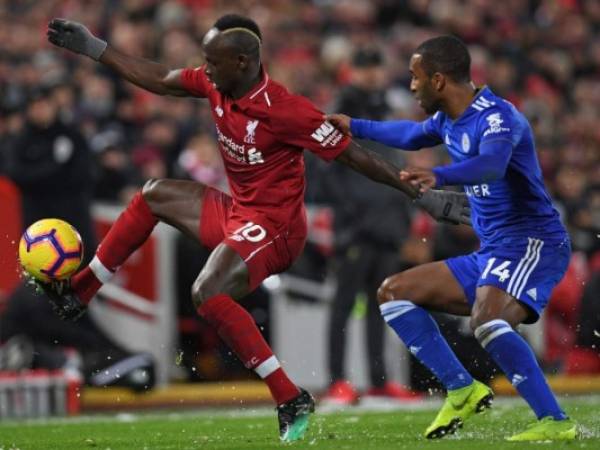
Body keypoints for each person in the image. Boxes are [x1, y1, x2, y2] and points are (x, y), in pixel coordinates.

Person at [43, 15, 470, 441]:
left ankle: (289, 396)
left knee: (207, 292)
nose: (204, 70)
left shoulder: (287, 110)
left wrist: (420, 195)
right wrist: (96, 48)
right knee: (153, 194)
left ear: (243, 62)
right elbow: (160, 78)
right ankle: (82, 290)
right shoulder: (217, 82)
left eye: (213, 62)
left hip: (277, 228)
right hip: (238, 212)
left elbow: (355, 156)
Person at [327, 35, 578, 441]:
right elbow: (410, 136)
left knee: (488, 319)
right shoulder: (448, 121)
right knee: (393, 292)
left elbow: (493, 165)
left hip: (534, 244)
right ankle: (461, 388)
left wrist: (439, 175)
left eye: (415, 77)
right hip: (494, 250)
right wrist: (354, 126)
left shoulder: (499, 117)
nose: (410, 86)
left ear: (439, 80)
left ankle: (554, 421)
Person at [1, 86, 154, 391]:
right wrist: (56, 168)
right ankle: (104, 362)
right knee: (55, 311)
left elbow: (81, 176)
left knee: (49, 308)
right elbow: (17, 173)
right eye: (34, 105)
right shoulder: (23, 142)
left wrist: (45, 174)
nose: (40, 111)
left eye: (44, 104)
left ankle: (92, 362)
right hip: (40, 249)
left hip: (71, 245)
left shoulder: (71, 137)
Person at [321, 47, 420, 405]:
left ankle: (379, 381)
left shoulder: (383, 109)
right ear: (352, 72)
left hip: (386, 223)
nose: (373, 75)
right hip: (357, 227)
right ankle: (337, 380)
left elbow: (395, 165)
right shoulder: (340, 108)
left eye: (376, 67)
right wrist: (353, 213)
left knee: (382, 306)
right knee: (344, 304)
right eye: (366, 68)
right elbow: (327, 170)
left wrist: (402, 216)